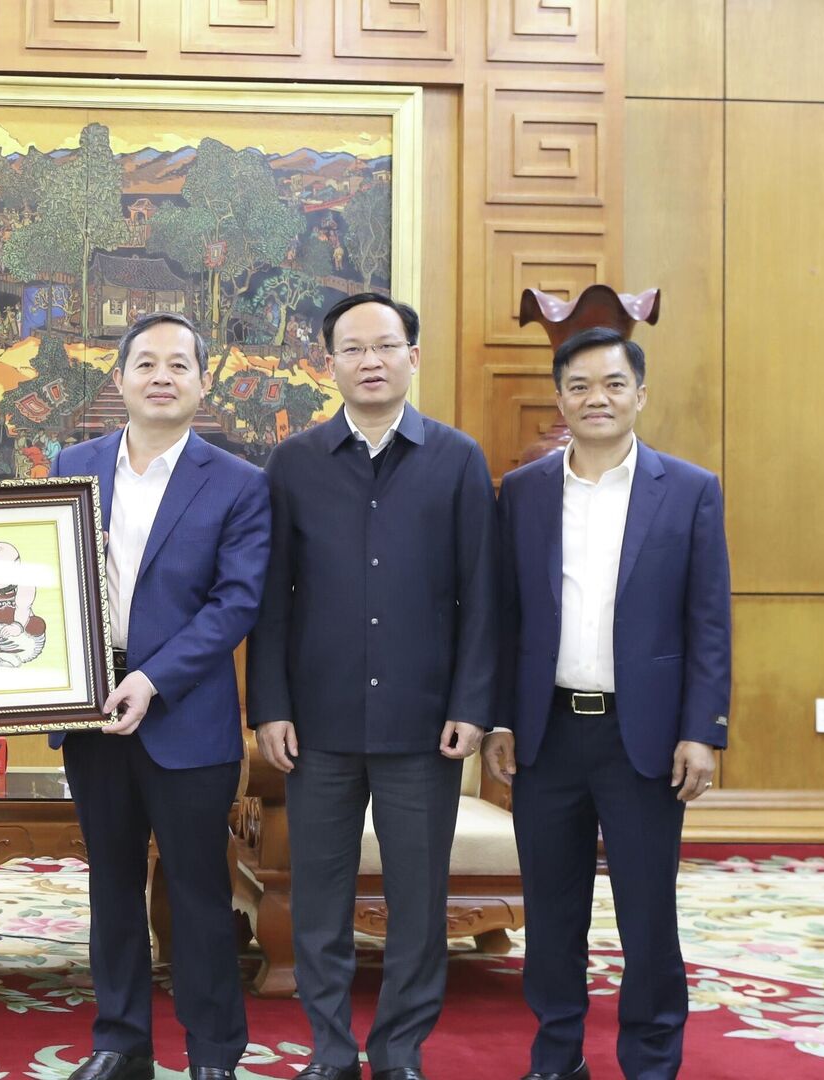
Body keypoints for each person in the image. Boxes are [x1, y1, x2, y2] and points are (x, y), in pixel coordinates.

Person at [247, 293, 497, 1080]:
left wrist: (473, 706)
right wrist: (270, 707)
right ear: (330, 365)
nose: (370, 361)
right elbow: (272, 600)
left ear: (412, 357)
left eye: (385, 346)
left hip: (423, 725)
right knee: (318, 899)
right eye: (352, 349)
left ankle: (398, 1052)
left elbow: (482, 595)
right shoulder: (293, 464)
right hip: (316, 724)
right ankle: (329, 1049)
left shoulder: (457, 459)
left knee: (418, 904)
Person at [484, 328, 730, 1080]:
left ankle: (650, 1061)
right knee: (551, 912)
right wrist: (501, 717)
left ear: (640, 395)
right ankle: (557, 1056)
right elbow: (505, 615)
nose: (598, 398)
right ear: (560, 399)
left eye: (614, 384)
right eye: (581, 386)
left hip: (643, 738)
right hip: (547, 735)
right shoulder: (523, 492)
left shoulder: (688, 489)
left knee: (647, 915)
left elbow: (708, 620)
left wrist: (702, 729)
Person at [51, 313, 271, 1080]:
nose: (162, 376)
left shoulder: (239, 483)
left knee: (197, 890)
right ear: (119, 379)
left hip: (185, 715)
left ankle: (213, 1053)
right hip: (91, 713)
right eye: (145, 363)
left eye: (179, 364)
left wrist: (152, 679)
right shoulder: (72, 465)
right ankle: (120, 1044)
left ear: (202, 384)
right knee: (110, 885)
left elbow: (235, 603)